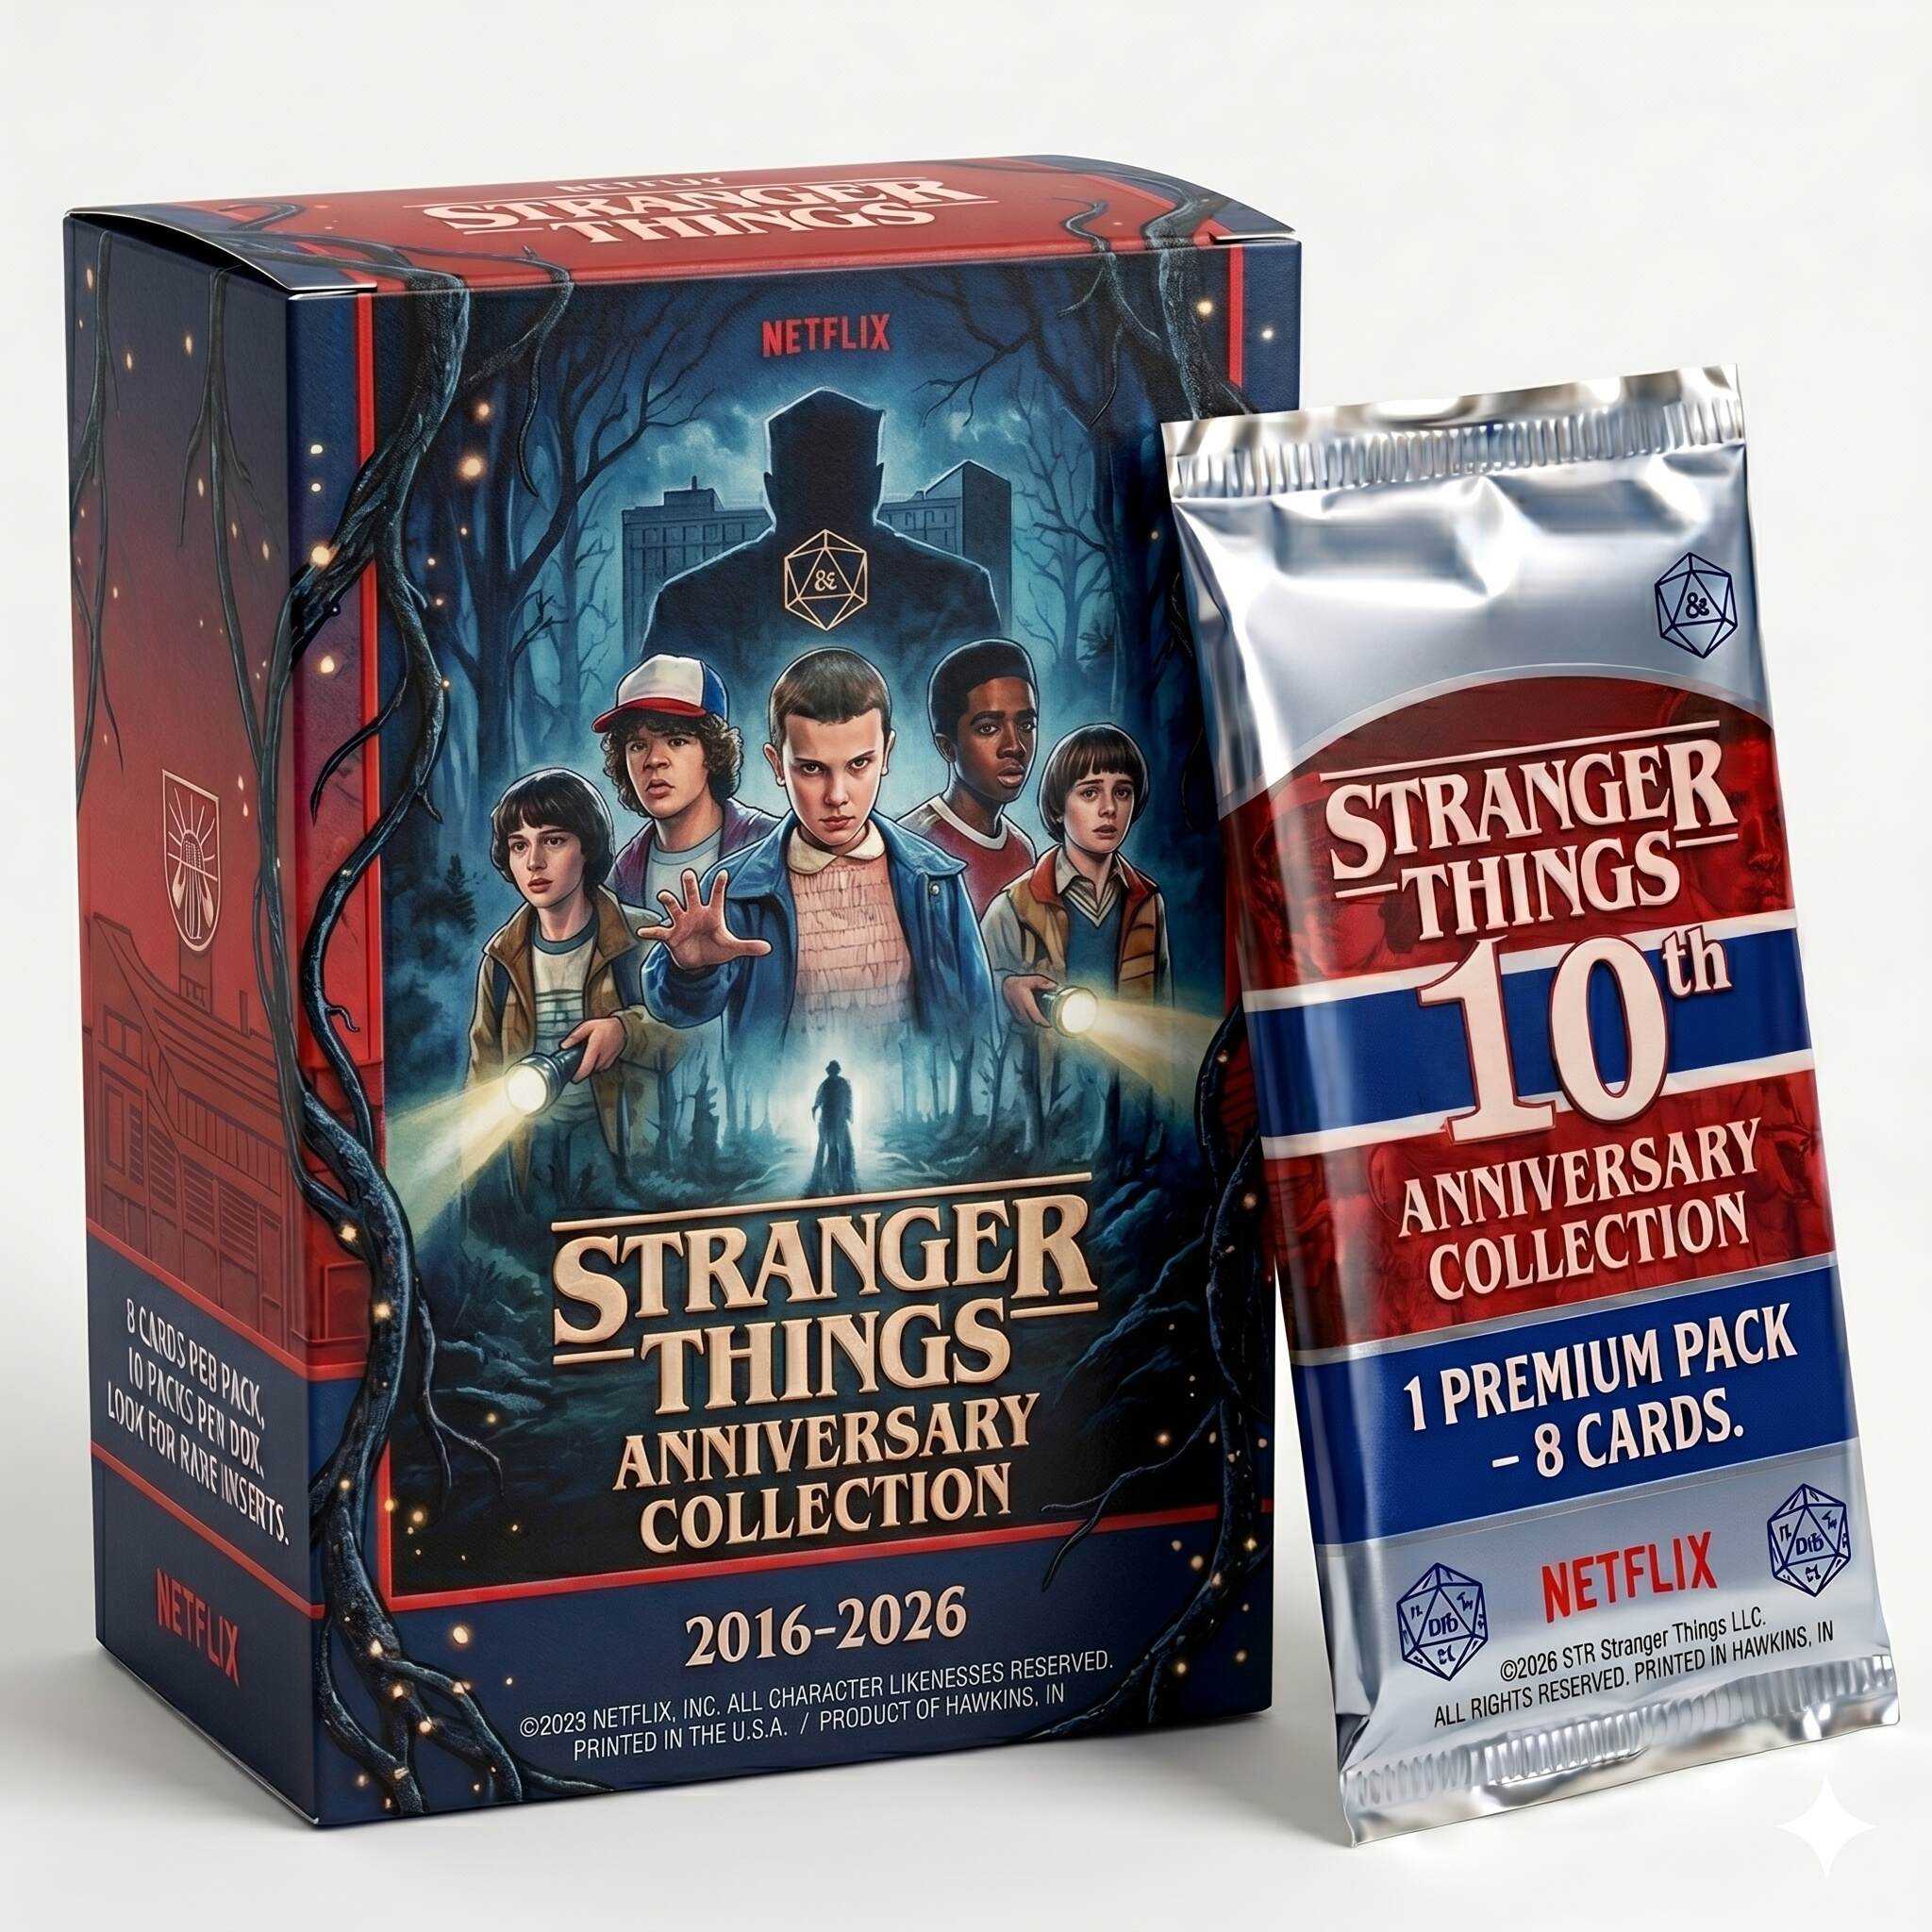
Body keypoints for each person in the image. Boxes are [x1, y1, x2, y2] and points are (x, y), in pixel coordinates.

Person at [642, 647, 995, 1074]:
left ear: (886, 754)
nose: (837, 796)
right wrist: (690, 971)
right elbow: (678, 1009)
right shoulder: (735, 890)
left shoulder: (934, 880)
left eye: (859, 763)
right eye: (812, 768)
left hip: (920, 1109)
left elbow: (979, 1030)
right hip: (778, 1112)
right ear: (777, 764)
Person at [641, 391, 1000, 688]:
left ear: (772, 491)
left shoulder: (691, 603)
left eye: (836, 487)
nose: (825, 509)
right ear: (875, 485)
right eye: (813, 489)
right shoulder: (955, 591)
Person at [466, 769, 682, 1206]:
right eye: (519, 845)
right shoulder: (502, 959)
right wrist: (480, 1191)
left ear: (587, 846)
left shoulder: (641, 938)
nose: (534, 862)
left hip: (621, 1155)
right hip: (532, 1153)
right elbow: (481, 1076)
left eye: (553, 840)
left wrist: (625, 1031)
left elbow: (692, 1036)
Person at [981, 724, 1172, 1025]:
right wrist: (1004, 987)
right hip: (1042, 1057)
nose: (1109, 808)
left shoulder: (1147, 901)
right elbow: (971, 1008)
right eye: (1090, 792)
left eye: (1122, 792)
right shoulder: (1014, 906)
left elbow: (1164, 1018)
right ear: (1058, 807)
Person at [596, 652, 776, 908]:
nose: (654, 759)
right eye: (637, 745)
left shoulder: (771, 844)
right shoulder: (622, 876)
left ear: (713, 752)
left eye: (676, 741)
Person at [899, 638, 1040, 917]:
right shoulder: (910, 845)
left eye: (1026, 725)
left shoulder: (1022, 850)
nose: (1015, 746)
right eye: (989, 728)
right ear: (947, 747)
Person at [809, 1059, 857, 1194]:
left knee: (842, 1146)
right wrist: (815, 1108)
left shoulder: (843, 1083)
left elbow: (848, 1098)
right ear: (829, 1071)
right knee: (829, 1146)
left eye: (834, 1070)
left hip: (838, 1119)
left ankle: (843, 1175)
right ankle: (825, 1175)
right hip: (828, 1119)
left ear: (837, 1071)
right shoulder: (825, 1084)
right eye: (831, 1070)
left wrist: (848, 1112)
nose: (832, 1072)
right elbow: (818, 1100)